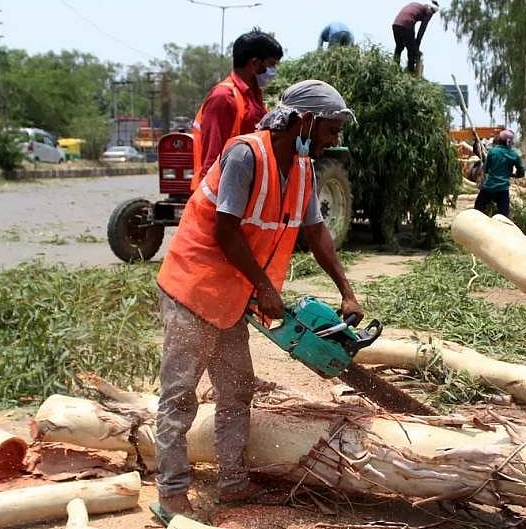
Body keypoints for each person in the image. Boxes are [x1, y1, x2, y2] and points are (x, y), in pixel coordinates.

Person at [152, 80, 363, 522]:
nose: (334, 138)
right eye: (330, 128)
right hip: (193, 289)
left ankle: (231, 481)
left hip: (233, 295)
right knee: (179, 396)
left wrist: (346, 290)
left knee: (236, 388)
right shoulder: (245, 155)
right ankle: (170, 494)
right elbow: (226, 230)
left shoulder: (303, 168)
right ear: (305, 120)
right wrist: (265, 289)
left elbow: (316, 233)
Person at [191, 29, 283, 192]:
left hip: (244, 187)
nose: (273, 72)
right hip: (225, 192)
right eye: (271, 65)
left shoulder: (254, 96)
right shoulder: (224, 97)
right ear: (254, 63)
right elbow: (212, 157)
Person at [474, 129, 525, 218]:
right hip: (502, 190)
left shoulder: (492, 152)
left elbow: (485, 169)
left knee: (477, 211)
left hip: (488, 188)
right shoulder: (514, 155)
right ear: (510, 142)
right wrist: (511, 174)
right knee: (504, 217)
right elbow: (521, 173)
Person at [392, 1, 439, 73]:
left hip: (396, 25)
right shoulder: (429, 12)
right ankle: (410, 72)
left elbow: (411, 21)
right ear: (431, 9)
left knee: (399, 47)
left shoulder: (416, 5)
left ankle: (394, 68)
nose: (432, 14)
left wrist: (415, 44)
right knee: (411, 51)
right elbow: (421, 30)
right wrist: (416, 48)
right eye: (433, 12)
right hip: (406, 26)